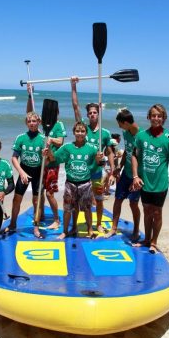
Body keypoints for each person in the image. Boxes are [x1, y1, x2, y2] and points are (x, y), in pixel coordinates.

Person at [132, 104, 169, 253]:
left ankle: (154, 242)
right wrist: (135, 176)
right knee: (147, 211)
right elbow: (134, 155)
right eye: (153, 115)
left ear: (164, 118)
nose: (156, 118)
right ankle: (146, 239)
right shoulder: (141, 136)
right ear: (149, 117)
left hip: (160, 182)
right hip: (144, 181)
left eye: (159, 116)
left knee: (157, 212)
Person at [43, 121, 103, 240]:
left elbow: (97, 166)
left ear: (86, 133)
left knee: (87, 209)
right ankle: (65, 231)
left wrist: (98, 159)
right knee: (67, 210)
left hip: (85, 183)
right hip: (70, 184)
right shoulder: (67, 147)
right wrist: (48, 150)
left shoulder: (93, 148)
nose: (80, 133)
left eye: (82, 131)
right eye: (77, 131)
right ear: (73, 132)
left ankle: (90, 230)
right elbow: (54, 158)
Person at [70, 77, 115, 233]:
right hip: (81, 172)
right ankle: (75, 225)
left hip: (96, 172)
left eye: (95, 112)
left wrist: (112, 171)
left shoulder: (105, 132)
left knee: (99, 200)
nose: (92, 115)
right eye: (90, 113)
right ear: (87, 115)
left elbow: (109, 152)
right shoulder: (83, 128)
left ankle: (99, 224)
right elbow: (75, 106)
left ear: (99, 113)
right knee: (78, 201)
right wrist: (73, 86)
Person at [26, 86, 66, 229]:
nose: (52, 113)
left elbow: (61, 141)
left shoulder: (59, 124)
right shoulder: (43, 123)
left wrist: (51, 139)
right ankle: (40, 215)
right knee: (39, 192)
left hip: (52, 163)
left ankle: (56, 220)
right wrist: (30, 95)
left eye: (54, 111)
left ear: (57, 112)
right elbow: (30, 114)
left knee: (50, 194)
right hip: (40, 163)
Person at [105, 109, 141, 240]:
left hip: (137, 176)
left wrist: (137, 177)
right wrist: (119, 167)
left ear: (126, 123)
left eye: (120, 124)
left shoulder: (141, 136)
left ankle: (136, 230)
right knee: (118, 199)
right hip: (126, 173)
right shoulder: (126, 132)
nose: (119, 127)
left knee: (133, 204)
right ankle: (113, 228)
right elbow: (127, 151)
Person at [8, 111, 46, 238]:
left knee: (36, 201)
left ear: (39, 122)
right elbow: (14, 158)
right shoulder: (21, 138)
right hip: (24, 171)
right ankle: (13, 224)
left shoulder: (43, 139)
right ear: (26, 123)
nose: (31, 123)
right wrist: (21, 172)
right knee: (16, 199)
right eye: (29, 121)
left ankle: (36, 228)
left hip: (38, 173)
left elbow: (51, 159)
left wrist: (48, 153)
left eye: (34, 121)